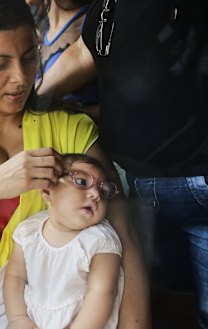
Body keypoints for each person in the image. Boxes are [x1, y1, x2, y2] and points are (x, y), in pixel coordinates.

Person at [0, 0, 148, 327]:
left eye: (29, 58)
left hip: (67, 303)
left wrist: (135, 323)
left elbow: (124, 234)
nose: (21, 78)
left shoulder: (70, 129)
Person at [38, 0, 208, 327]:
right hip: (144, 188)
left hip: (198, 178)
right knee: (166, 306)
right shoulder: (106, 7)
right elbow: (85, 53)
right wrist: (28, 105)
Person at [4, 153, 123, 329]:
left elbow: (102, 292)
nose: (95, 194)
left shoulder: (100, 240)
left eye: (103, 191)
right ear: (46, 190)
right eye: (82, 182)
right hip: (33, 318)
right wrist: (19, 318)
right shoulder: (28, 232)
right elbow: (15, 277)